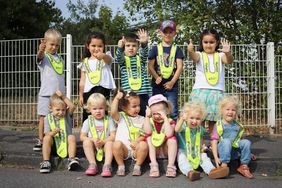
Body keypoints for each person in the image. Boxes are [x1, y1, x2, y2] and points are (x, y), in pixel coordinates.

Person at [188, 29, 233, 133]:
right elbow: (194, 57)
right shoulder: (199, 54)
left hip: (217, 92)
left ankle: (214, 143)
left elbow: (229, 61)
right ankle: (201, 143)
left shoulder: (221, 55)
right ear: (202, 43)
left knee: (215, 120)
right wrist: (190, 51)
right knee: (199, 118)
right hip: (200, 92)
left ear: (217, 43)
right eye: (205, 42)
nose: (208, 45)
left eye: (211, 42)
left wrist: (228, 53)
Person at [175, 102, 229, 181]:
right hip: (184, 150)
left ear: (201, 119)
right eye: (192, 118)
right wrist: (182, 119)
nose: (195, 121)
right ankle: (189, 172)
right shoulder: (183, 126)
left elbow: (200, 138)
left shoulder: (200, 128)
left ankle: (212, 170)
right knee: (182, 159)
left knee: (204, 158)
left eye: (198, 119)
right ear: (186, 118)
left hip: (196, 151)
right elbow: (176, 129)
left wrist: (202, 146)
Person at [34, 29, 66, 152]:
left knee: (58, 117)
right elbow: (39, 57)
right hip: (46, 94)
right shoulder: (44, 57)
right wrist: (41, 50)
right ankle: (40, 139)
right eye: (51, 44)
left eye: (57, 45)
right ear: (45, 43)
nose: (54, 47)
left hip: (58, 95)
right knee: (43, 117)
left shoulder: (60, 59)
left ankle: (55, 139)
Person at [148, 20, 184, 120]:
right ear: (160, 33)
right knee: (156, 109)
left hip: (171, 86)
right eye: (165, 32)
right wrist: (156, 77)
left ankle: (173, 134)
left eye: (170, 32)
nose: (167, 34)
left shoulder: (177, 49)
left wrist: (172, 82)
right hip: (157, 85)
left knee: (173, 112)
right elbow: (150, 66)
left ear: (174, 33)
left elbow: (180, 67)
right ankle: (157, 132)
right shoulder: (155, 48)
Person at [211, 95, 254, 179]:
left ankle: (243, 166)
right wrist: (216, 157)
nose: (230, 112)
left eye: (233, 110)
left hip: (234, 152)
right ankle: (224, 166)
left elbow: (240, 140)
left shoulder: (238, 126)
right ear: (221, 111)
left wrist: (248, 153)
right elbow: (214, 142)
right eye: (227, 109)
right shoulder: (218, 125)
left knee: (246, 142)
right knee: (226, 141)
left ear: (236, 112)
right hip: (223, 152)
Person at [78, 31, 116, 122]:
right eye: (93, 46)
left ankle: (104, 132)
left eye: (100, 46)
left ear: (104, 46)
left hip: (102, 89)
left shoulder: (106, 57)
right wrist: (80, 95)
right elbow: (82, 80)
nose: (96, 48)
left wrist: (103, 56)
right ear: (88, 46)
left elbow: (109, 59)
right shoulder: (84, 62)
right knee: (88, 113)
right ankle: (87, 133)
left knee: (102, 112)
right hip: (88, 91)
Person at [111, 89, 148, 176]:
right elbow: (113, 112)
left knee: (144, 145)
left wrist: (138, 141)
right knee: (116, 144)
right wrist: (116, 99)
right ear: (124, 107)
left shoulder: (142, 119)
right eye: (134, 106)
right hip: (123, 150)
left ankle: (137, 166)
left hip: (136, 150)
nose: (138, 108)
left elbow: (144, 134)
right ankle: (121, 166)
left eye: (139, 105)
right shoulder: (121, 117)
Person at [39, 91, 79, 173]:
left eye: (63, 110)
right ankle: (46, 161)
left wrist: (63, 96)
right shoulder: (48, 118)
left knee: (71, 137)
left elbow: (72, 107)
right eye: (57, 110)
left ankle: (71, 159)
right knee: (46, 138)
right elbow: (46, 133)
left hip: (66, 146)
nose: (61, 113)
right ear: (50, 108)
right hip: (54, 146)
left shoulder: (67, 116)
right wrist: (52, 133)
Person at [116, 29, 152, 116]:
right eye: (128, 45)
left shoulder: (141, 58)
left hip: (143, 93)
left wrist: (144, 43)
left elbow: (144, 52)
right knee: (129, 116)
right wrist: (120, 48)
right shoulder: (123, 61)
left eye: (134, 45)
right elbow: (118, 56)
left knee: (144, 115)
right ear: (124, 47)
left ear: (138, 47)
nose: (131, 48)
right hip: (129, 94)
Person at [80, 93, 116, 177]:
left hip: (105, 146)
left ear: (106, 108)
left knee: (110, 143)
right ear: (89, 109)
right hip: (94, 147)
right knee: (86, 142)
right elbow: (82, 136)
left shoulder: (109, 119)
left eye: (101, 108)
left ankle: (107, 166)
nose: (98, 111)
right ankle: (92, 164)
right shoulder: (87, 121)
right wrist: (92, 139)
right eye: (94, 109)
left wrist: (103, 142)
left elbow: (113, 135)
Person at [143, 94, 177, 178]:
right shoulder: (150, 120)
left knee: (172, 140)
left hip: (165, 151)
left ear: (167, 111)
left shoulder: (170, 121)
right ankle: (154, 164)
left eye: (160, 113)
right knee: (149, 137)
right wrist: (147, 117)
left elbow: (169, 134)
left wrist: (165, 118)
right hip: (155, 151)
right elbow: (147, 131)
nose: (157, 116)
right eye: (154, 114)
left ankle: (171, 166)